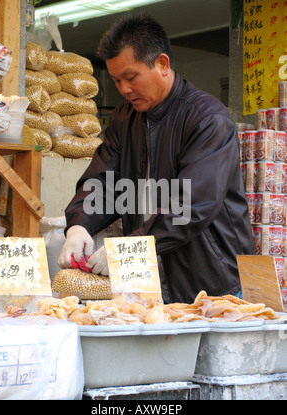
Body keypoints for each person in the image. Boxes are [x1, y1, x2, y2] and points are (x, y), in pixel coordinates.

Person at [58, 13, 254, 304]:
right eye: (116, 80)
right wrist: (78, 225)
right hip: (148, 287)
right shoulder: (124, 118)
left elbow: (190, 206)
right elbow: (104, 183)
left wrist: (128, 248)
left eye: (131, 77)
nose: (123, 89)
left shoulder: (207, 119)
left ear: (162, 64)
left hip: (213, 287)